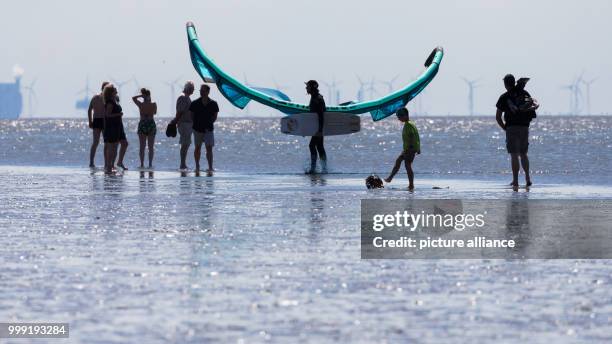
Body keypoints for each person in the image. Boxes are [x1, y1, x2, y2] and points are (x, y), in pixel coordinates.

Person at [495, 74, 537, 189]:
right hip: (524, 127)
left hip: (511, 127)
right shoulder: (525, 93)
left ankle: (516, 181)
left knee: (514, 155)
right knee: (523, 154)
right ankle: (528, 178)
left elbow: (498, 117)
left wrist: (505, 128)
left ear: (505, 84)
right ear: (514, 82)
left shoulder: (504, 97)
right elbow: (532, 105)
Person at [384, 108, 420, 190]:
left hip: (410, 149)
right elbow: (416, 137)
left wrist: (414, 148)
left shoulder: (409, 125)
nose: (398, 118)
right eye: (398, 117)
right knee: (399, 160)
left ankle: (411, 185)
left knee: (408, 165)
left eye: (400, 116)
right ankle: (390, 178)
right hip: (408, 148)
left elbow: (414, 137)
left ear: (405, 116)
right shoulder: (408, 124)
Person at [189, 84, 219, 173]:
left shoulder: (213, 103)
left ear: (208, 92)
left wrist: (209, 123)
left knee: (209, 148)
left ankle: (210, 167)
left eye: (203, 91)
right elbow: (191, 115)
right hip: (197, 129)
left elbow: (215, 116)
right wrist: (197, 124)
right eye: (200, 91)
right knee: (197, 147)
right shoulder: (195, 103)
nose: (201, 92)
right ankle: (197, 166)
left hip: (209, 129)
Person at [102, 84, 128, 173]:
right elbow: (107, 115)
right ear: (111, 92)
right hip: (112, 126)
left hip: (118, 126)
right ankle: (109, 167)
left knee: (124, 143)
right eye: (114, 89)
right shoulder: (109, 102)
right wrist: (118, 114)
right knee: (112, 147)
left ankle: (118, 162)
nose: (116, 89)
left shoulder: (115, 99)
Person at [171, 81, 195, 170]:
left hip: (188, 124)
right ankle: (182, 164)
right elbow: (180, 111)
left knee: (186, 144)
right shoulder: (183, 97)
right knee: (184, 144)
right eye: (192, 89)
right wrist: (175, 121)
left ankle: (183, 163)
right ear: (188, 88)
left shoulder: (187, 97)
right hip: (184, 123)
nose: (193, 91)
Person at [305, 80, 327, 174]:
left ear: (312, 88)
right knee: (320, 146)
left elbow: (321, 115)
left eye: (308, 86)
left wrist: (320, 129)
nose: (306, 88)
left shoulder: (317, 99)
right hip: (317, 127)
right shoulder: (315, 97)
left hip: (318, 127)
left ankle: (313, 169)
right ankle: (324, 169)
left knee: (312, 145)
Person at [133, 88, 157, 169]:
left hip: (143, 123)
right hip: (151, 123)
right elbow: (155, 112)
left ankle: (142, 164)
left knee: (142, 146)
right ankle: (150, 164)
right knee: (151, 146)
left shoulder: (141, 104)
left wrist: (141, 96)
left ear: (143, 96)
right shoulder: (154, 104)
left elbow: (133, 98)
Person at [88, 81, 109, 168]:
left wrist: (90, 121)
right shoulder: (96, 97)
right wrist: (90, 121)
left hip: (103, 120)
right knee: (96, 142)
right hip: (98, 120)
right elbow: (89, 109)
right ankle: (91, 162)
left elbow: (89, 110)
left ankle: (106, 163)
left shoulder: (109, 98)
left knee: (106, 143)